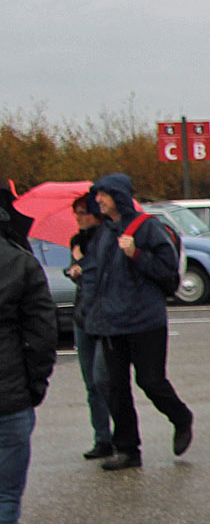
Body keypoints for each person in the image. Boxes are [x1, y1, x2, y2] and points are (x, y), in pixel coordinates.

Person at [78, 173, 192, 471]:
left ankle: (181, 417)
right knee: (115, 387)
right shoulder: (104, 232)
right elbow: (94, 273)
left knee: (150, 381)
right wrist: (85, 295)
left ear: (117, 196)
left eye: (102, 195)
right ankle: (128, 450)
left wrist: (136, 254)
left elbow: (166, 270)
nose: (98, 201)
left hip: (145, 321)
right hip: (111, 323)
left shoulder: (147, 227)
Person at [0, 191, 56, 524]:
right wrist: (35, 385)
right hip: (8, 398)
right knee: (3, 500)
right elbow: (42, 331)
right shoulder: (18, 261)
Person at [64, 191, 114, 459]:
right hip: (82, 316)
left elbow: (106, 276)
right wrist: (74, 267)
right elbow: (79, 278)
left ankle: (121, 435)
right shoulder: (77, 241)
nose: (78, 218)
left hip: (104, 319)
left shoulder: (108, 239)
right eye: (76, 213)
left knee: (102, 378)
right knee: (90, 383)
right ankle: (102, 438)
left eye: (83, 212)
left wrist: (84, 264)